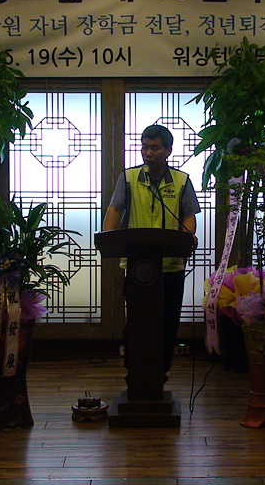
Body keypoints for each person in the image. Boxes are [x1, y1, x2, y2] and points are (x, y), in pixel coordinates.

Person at [102, 124, 200, 379]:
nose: (148, 153)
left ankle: (160, 373)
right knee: (137, 322)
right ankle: (135, 373)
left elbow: (189, 215)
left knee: (168, 323)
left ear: (168, 151)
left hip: (171, 267)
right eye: (144, 147)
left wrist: (187, 237)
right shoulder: (129, 178)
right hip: (138, 267)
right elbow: (115, 209)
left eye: (155, 148)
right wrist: (108, 239)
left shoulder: (181, 180)